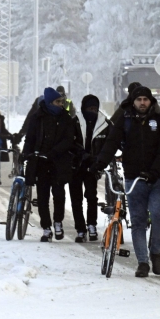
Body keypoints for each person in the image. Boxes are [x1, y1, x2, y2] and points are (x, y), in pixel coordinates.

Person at [91, 86, 160, 277]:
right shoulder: (125, 119)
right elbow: (112, 142)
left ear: (150, 101)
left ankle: (155, 252)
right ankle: (142, 262)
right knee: (138, 221)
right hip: (133, 177)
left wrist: (155, 170)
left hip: (158, 178)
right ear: (133, 102)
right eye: (139, 100)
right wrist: (100, 163)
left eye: (145, 99)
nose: (142, 103)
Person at [22, 87, 77, 242]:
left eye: (61, 101)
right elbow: (30, 138)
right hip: (40, 162)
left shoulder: (66, 118)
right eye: (57, 101)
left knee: (59, 194)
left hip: (58, 162)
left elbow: (68, 140)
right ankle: (46, 227)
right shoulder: (37, 118)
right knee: (42, 197)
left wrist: (54, 152)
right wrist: (27, 153)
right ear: (49, 102)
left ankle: (58, 222)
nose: (60, 104)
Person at [69, 94, 110, 242]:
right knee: (76, 198)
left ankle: (92, 225)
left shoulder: (104, 124)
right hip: (75, 165)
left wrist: (99, 160)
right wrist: (81, 154)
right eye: (89, 108)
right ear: (83, 108)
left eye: (95, 108)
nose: (92, 111)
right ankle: (80, 229)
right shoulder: (74, 122)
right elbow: (69, 142)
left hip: (93, 167)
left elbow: (110, 143)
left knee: (91, 197)